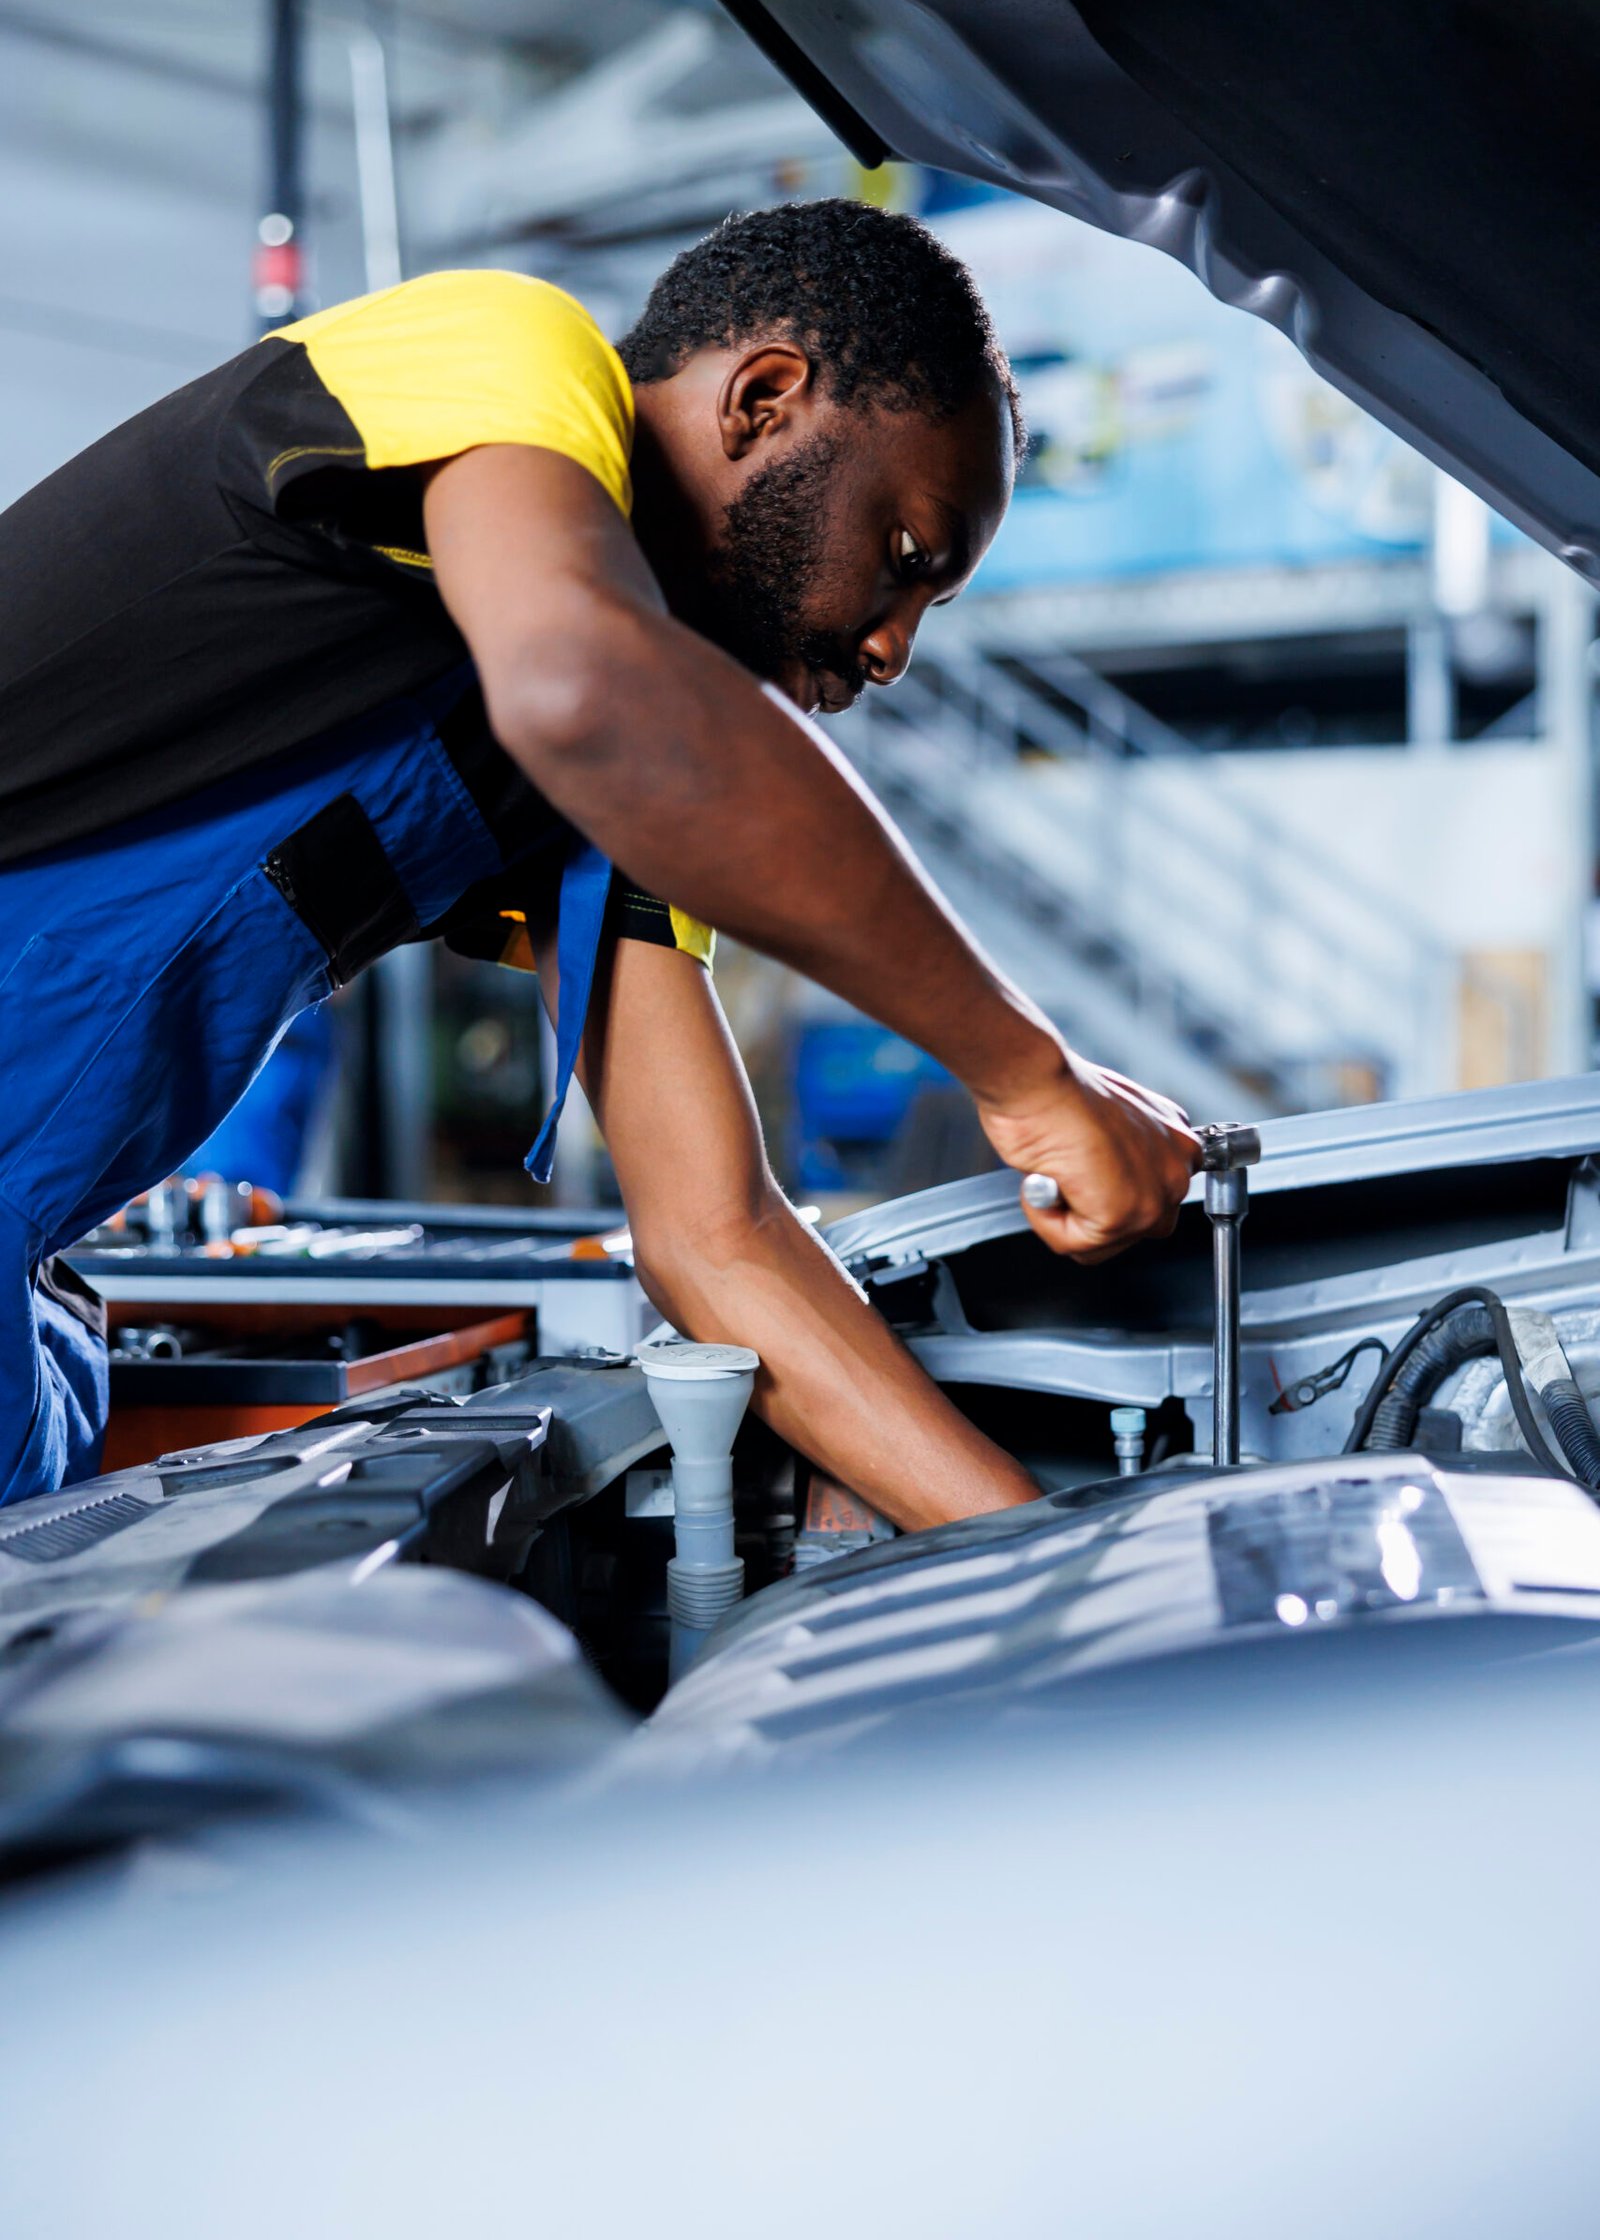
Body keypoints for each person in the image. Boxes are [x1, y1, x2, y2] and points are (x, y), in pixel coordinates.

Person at [0, 199, 1198, 1514]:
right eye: (907, 557)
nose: (893, 649)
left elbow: (717, 1242)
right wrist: (1027, 1074)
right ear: (765, 397)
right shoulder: (511, 350)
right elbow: (586, 690)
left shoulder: (606, 790)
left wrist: (1040, 1558)